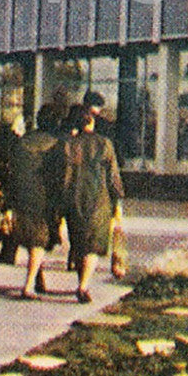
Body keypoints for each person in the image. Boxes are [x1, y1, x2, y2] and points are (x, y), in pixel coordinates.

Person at [58, 104, 124, 303]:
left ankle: (82, 281)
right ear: (92, 122)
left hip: (74, 197)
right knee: (94, 244)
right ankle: (83, 285)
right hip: (99, 199)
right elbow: (113, 176)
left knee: (79, 242)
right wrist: (118, 198)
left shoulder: (69, 145)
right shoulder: (104, 144)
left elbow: (63, 176)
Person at [8, 104, 64, 298]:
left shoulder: (23, 142)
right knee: (39, 241)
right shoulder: (56, 145)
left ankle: (37, 277)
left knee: (33, 240)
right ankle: (29, 284)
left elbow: (12, 169)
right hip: (45, 197)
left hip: (23, 195)